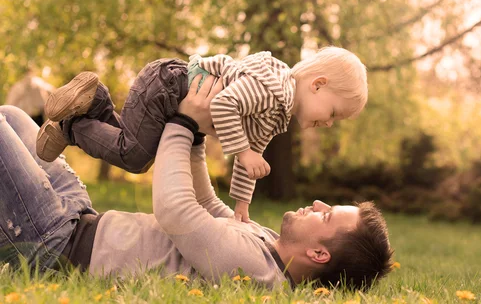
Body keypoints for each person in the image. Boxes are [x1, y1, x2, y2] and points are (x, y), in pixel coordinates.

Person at [0, 75, 393, 290]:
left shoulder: (255, 270)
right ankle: (83, 118)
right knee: (14, 116)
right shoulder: (267, 243)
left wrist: (182, 123)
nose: (320, 205)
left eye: (327, 218)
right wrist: (200, 133)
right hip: (79, 216)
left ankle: (87, 114)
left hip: (55, 245)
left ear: (320, 256)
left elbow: (176, 211)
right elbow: (206, 204)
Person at [36, 47, 368, 222]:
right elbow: (224, 105)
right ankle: (71, 127)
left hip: (168, 86)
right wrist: (245, 152)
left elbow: (248, 156)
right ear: (318, 85)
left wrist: (241, 205)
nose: (329, 124)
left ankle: (94, 101)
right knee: (134, 156)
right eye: (334, 114)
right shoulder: (271, 90)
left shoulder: (278, 109)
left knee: (129, 139)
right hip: (171, 88)